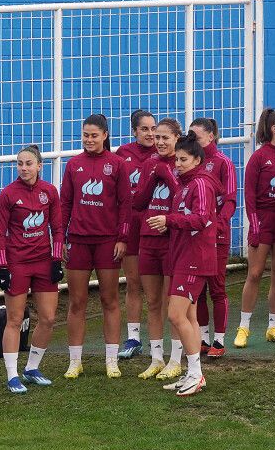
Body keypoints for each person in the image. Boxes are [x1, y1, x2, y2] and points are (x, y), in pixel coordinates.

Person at [146, 131, 219, 396]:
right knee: (188, 316)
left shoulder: (200, 184)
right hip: (183, 256)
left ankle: (197, 374)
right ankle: (192, 372)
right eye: (177, 159)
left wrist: (169, 220)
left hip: (195, 259)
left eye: (184, 159)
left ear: (197, 160)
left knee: (175, 314)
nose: (178, 164)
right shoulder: (186, 185)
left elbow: (200, 219)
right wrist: (169, 224)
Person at [59, 114, 132, 379]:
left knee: (109, 300)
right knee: (76, 302)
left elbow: (126, 204)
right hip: (78, 241)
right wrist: (61, 238)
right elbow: (65, 203)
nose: (89, 140)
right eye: (85, 135)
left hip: (107, 243)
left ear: (105, 135)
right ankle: (75, 361)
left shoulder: (117, 164)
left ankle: (111, 360)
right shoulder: (73, 165)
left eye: (94, 135)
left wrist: (122, 238)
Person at [0, 145, 65, 394]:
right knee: (14, 319)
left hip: (43, 262)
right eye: (20, 163)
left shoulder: (49, 192)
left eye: (28, 163)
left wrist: (56, 261)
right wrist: (3, 267)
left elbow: (57, 229)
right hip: (17, 263)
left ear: (39, 165)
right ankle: (12, 376)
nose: (24, 168)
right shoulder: (8, 194)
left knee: (48, 318)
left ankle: (32, 368)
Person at [236, 109, 275, 348]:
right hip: (263, 222)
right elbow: (249, 196)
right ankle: (244, 327)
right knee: (254, 274)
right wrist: (254, 225)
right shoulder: (259, 157)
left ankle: (273, 326)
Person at [131, 118, 183, 381]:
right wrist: (153, 177)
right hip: (148, 239)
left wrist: (168, 178)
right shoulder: (150, 163)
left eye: (165, 137)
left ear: (177, 138)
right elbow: (138, 203)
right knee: (152, 302)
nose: (160, 142)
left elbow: (186, 200)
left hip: (172, 241)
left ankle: (176, 359)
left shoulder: (183, 163)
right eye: (157, 137)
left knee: (173, 301)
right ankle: (156, 358)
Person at [189, 118, 237, 358]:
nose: (192, 142)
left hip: (217, 236)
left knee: (217, 287)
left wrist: (218, 224)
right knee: (197, 290)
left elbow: (230, 200)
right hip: (195, 236)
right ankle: (203, 338)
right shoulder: (191, 162)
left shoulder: (223, 163)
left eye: (196, 137)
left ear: (211, 137)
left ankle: (219, 339)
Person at [115, 110, 158, 360]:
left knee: (157, 288)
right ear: (134, 131)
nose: (151, 134)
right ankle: (133, 338)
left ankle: (160, 339)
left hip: (156, 226)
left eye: (153, 129)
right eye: (145, 129)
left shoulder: (163, 153)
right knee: (133, 282)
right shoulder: (123, 154)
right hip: (130, 226)